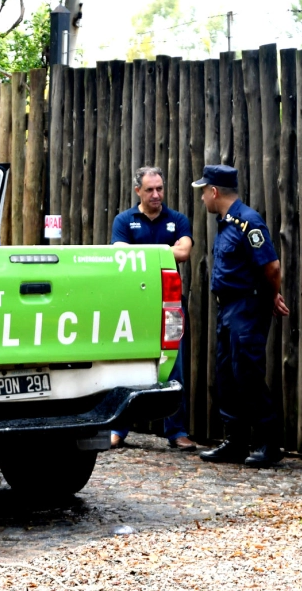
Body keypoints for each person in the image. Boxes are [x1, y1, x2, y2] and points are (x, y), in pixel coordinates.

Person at [192, 164, 289, 466]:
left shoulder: (249, 222)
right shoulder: (225, 222)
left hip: (247, 307)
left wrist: (272, 296)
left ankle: (269, 444)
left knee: (247, 374)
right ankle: (235, 442)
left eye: (203, 192)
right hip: (227, 308)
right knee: (227, 375)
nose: (202, 199)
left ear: (215, 191)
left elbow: (271, 267)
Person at [109, 166, 196, 450]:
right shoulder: (124, 220)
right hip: (133, 305)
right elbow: (120, 255)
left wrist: (142, 252)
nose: (156, 194)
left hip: (169, 306)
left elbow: (184, 252)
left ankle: (177, 432)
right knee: (126, 365)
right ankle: (118, 429)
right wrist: (162, 250)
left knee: (174, 368)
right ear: (138, 191)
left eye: (159, 188)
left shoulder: (178, 219)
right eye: (150, 190)